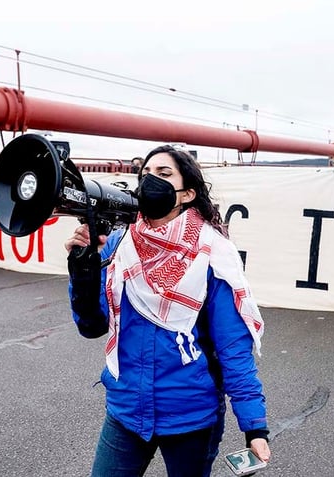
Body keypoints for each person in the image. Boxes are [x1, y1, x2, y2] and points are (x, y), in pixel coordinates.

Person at [64, 145, 271, 476]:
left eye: (163, 175)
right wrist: (83, 270)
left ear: (187, 193)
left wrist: (255, 427)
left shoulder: (212, 255)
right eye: (145, 174)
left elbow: (233, 349)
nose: (150, 182)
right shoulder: (119, 243)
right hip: (127, 410)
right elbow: (92, 324)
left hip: (191, 416)